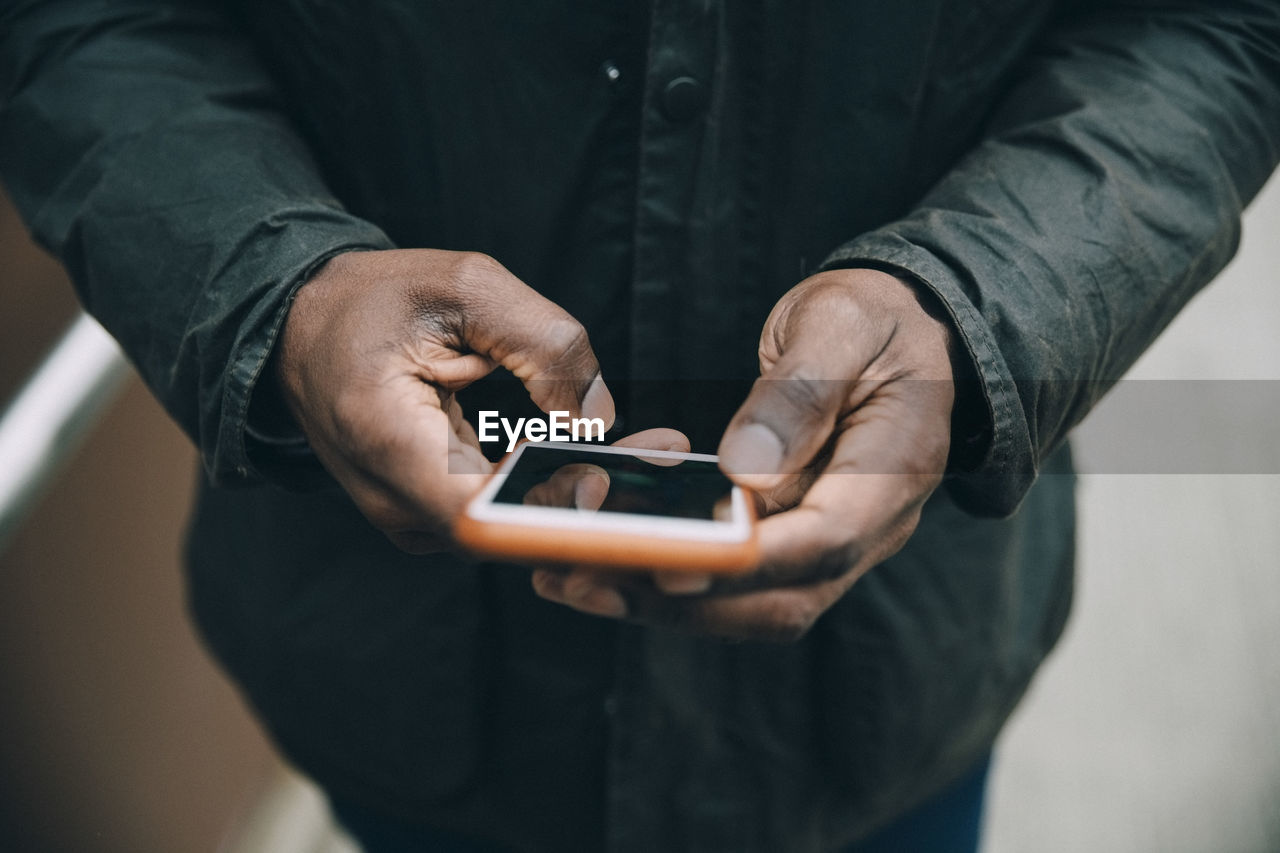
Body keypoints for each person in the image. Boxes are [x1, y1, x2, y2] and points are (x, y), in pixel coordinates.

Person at [1, 1, 1277, 850]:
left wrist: (974, 308)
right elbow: (82, 21)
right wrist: (272, 293)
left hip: (885, 680)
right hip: (403, 685)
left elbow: (1210, 24)